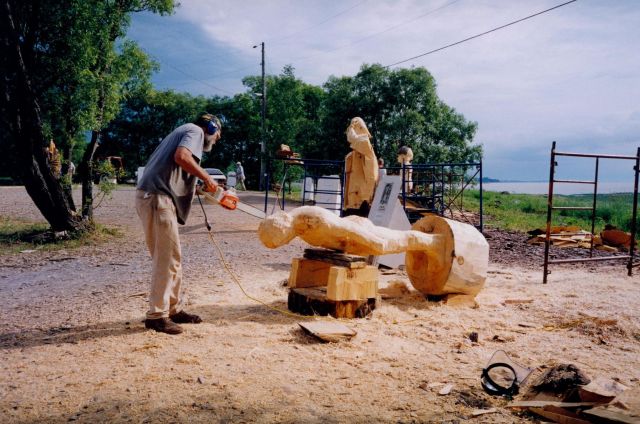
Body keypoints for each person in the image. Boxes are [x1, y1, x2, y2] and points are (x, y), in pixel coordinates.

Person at [135, 113, 222, 334]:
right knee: (166, 259)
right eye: (218, 133)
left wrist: (203, 186)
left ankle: (173, 309)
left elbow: (180, 169)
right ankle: (157, 315)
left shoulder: (184, 131)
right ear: (211, 128)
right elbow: (181, 156)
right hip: (157, 198)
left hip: (158, 197)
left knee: (173, 257)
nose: (218, 138)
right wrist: (207, 177)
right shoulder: (195, 131)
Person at [343, 117, 378, 217]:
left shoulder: (366, 146)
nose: (351, 128)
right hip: (353, 195)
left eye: (354, 125)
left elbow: (358, 140)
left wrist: (351, 131)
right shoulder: (353, 153)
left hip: (362, 197)